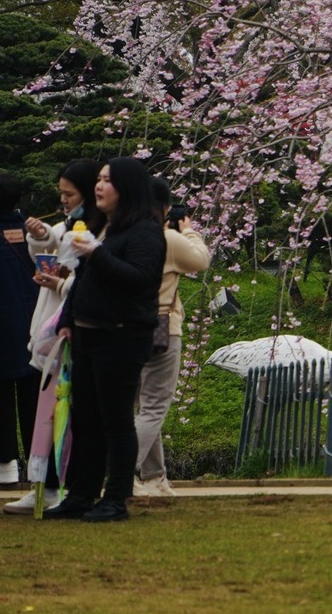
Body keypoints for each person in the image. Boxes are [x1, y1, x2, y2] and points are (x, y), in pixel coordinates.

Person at [45, 157, 167, 522]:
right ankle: (82, 494)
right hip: (87, 332)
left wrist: (97, 254)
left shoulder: (144, 231)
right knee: (86, 419)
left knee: (115, 421)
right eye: (98, 179)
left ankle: (115, 498)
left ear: (127, 187)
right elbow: (82, 281)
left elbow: (140, 279)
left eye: (107, 181)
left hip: (121, 335)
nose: (99, 186)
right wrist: (67, 320)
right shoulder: (104, 226)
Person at [6, 157, 101, 516]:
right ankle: (42, 484)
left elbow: (90, 282)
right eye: (60, 193)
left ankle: (62, 485)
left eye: (69, 193)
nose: (63, 199)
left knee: (65, 414)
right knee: (43, 412)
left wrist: (61, 281)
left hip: (71, 330)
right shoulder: (68, 225)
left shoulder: (96, 229)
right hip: (50, 325)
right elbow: (47, 257)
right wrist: (41, 237)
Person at [132, 179, 209, 498]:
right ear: (164, 210)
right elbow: (201, 260)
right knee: (154, 407)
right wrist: (188, 231)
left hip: (126, 328)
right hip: (163, 328)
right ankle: (120, 472)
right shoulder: (168, 239)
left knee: (140, 405)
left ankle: (155, 476)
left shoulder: (121, 237)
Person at [0, 170, 34, 487]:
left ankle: (5, 471)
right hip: (38, 330)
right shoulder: (37, 233)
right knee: (35, 398)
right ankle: (38, 470)